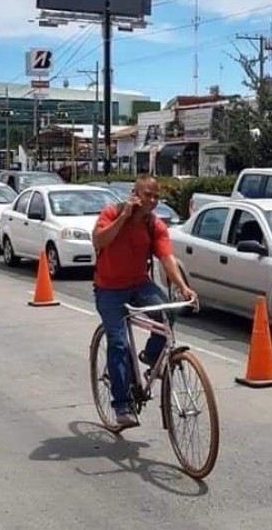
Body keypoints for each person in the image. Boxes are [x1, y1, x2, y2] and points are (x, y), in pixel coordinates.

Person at [92, 174, 197, 427]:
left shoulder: (154, 225)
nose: (151, 200)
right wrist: (124, 216)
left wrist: (183, 287)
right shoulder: (111, 212)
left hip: (139, 284)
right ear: (134, 193)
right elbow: (99, 240)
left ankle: (152, 356)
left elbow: (166, 257)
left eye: (155, 196)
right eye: (146, 194)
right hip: (109, 289)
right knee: (118, 343)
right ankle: (122, 405)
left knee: (167, 313)